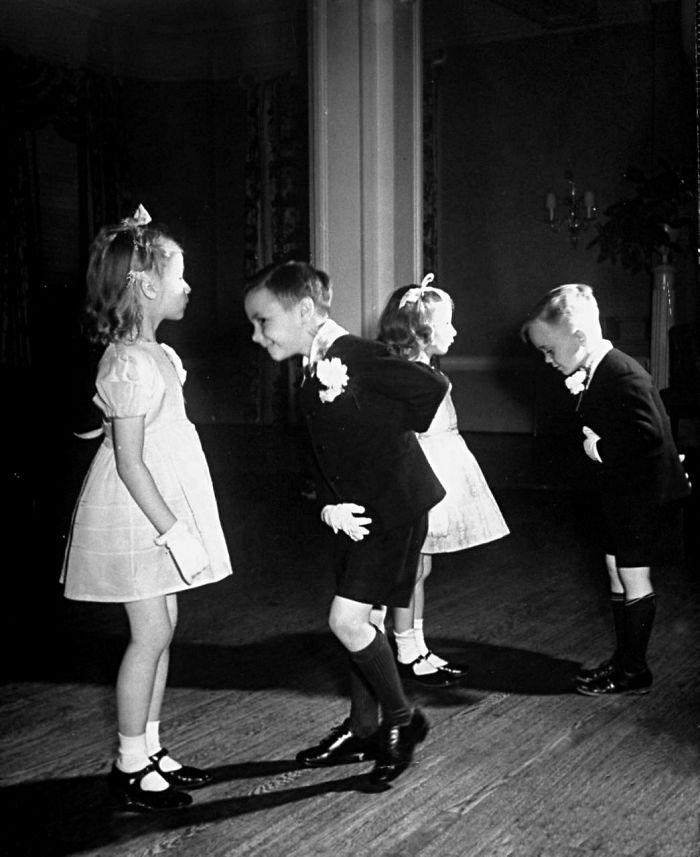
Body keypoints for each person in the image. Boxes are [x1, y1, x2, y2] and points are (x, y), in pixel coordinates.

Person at [243, 261, 448, 790]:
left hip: (395, 507)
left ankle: (404, 721)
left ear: (305, 311)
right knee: (365, 621)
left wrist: (379, 450)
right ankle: (362, 728)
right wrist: (327, 505)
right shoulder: (313, 367)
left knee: (347, 622)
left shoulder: (355, 354)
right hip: (353, 514)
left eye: (263, 321)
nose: (256, 334)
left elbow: (430, 386)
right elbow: (322, 452)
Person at [61, 205, 233, 811]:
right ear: (145, 284)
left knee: (165, 629)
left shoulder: (153, 352)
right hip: (139, 513)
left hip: (159, 503)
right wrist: (175, 532)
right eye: (180, 275)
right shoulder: (129, 361)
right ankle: (128, 763)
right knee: (151, 632)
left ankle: (152, 747)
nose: (188, 286)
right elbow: (131, 461)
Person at [520, 283, 690, 696]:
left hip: (643, 497)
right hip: (622, 494)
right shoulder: (594, 370)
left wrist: (600, 447)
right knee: (616, 570)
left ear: (578, 338)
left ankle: (634, 670)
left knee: (633, 576)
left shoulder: (623, 372)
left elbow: (648, 435)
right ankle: (622, 660)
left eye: (549, 350)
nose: (547, 360)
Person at [377, 276, 510, 687]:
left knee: (421, 566)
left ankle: (416, 645)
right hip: (420, 473)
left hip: (441, 467)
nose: (454, 332)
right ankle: (404, 649)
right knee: (409, 567)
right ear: (423, 332)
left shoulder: (426, 369)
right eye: (448, 325)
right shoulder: (408, 375)